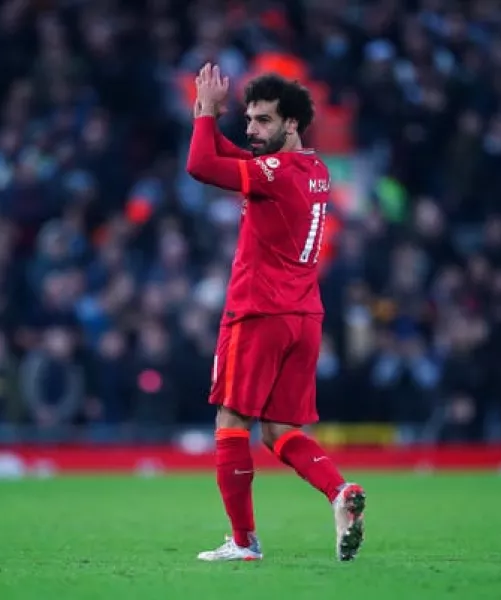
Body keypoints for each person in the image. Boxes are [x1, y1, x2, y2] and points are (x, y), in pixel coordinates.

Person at [185, 63, 366, 562]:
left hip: (259, 313)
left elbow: (200, 165)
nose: (251, 129)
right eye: (248, 119)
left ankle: (243, 542)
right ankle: (340, 493)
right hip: (304, 316)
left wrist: (204, 112)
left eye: (263, 120)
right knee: (282, 432)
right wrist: (216, 122)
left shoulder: (276, 173)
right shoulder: (316, 172)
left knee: (231, 420)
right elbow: (237, 159)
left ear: (291, 125)